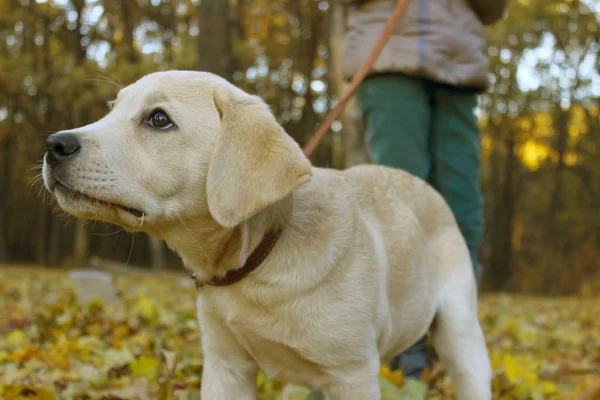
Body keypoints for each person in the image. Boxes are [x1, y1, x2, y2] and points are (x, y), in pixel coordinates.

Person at [342, 0, 508, 379]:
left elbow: (494, 8)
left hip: (459, 66)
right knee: (400, 210)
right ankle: (406, 350)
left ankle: (457, 335)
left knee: (463, 212)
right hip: (389, 60)